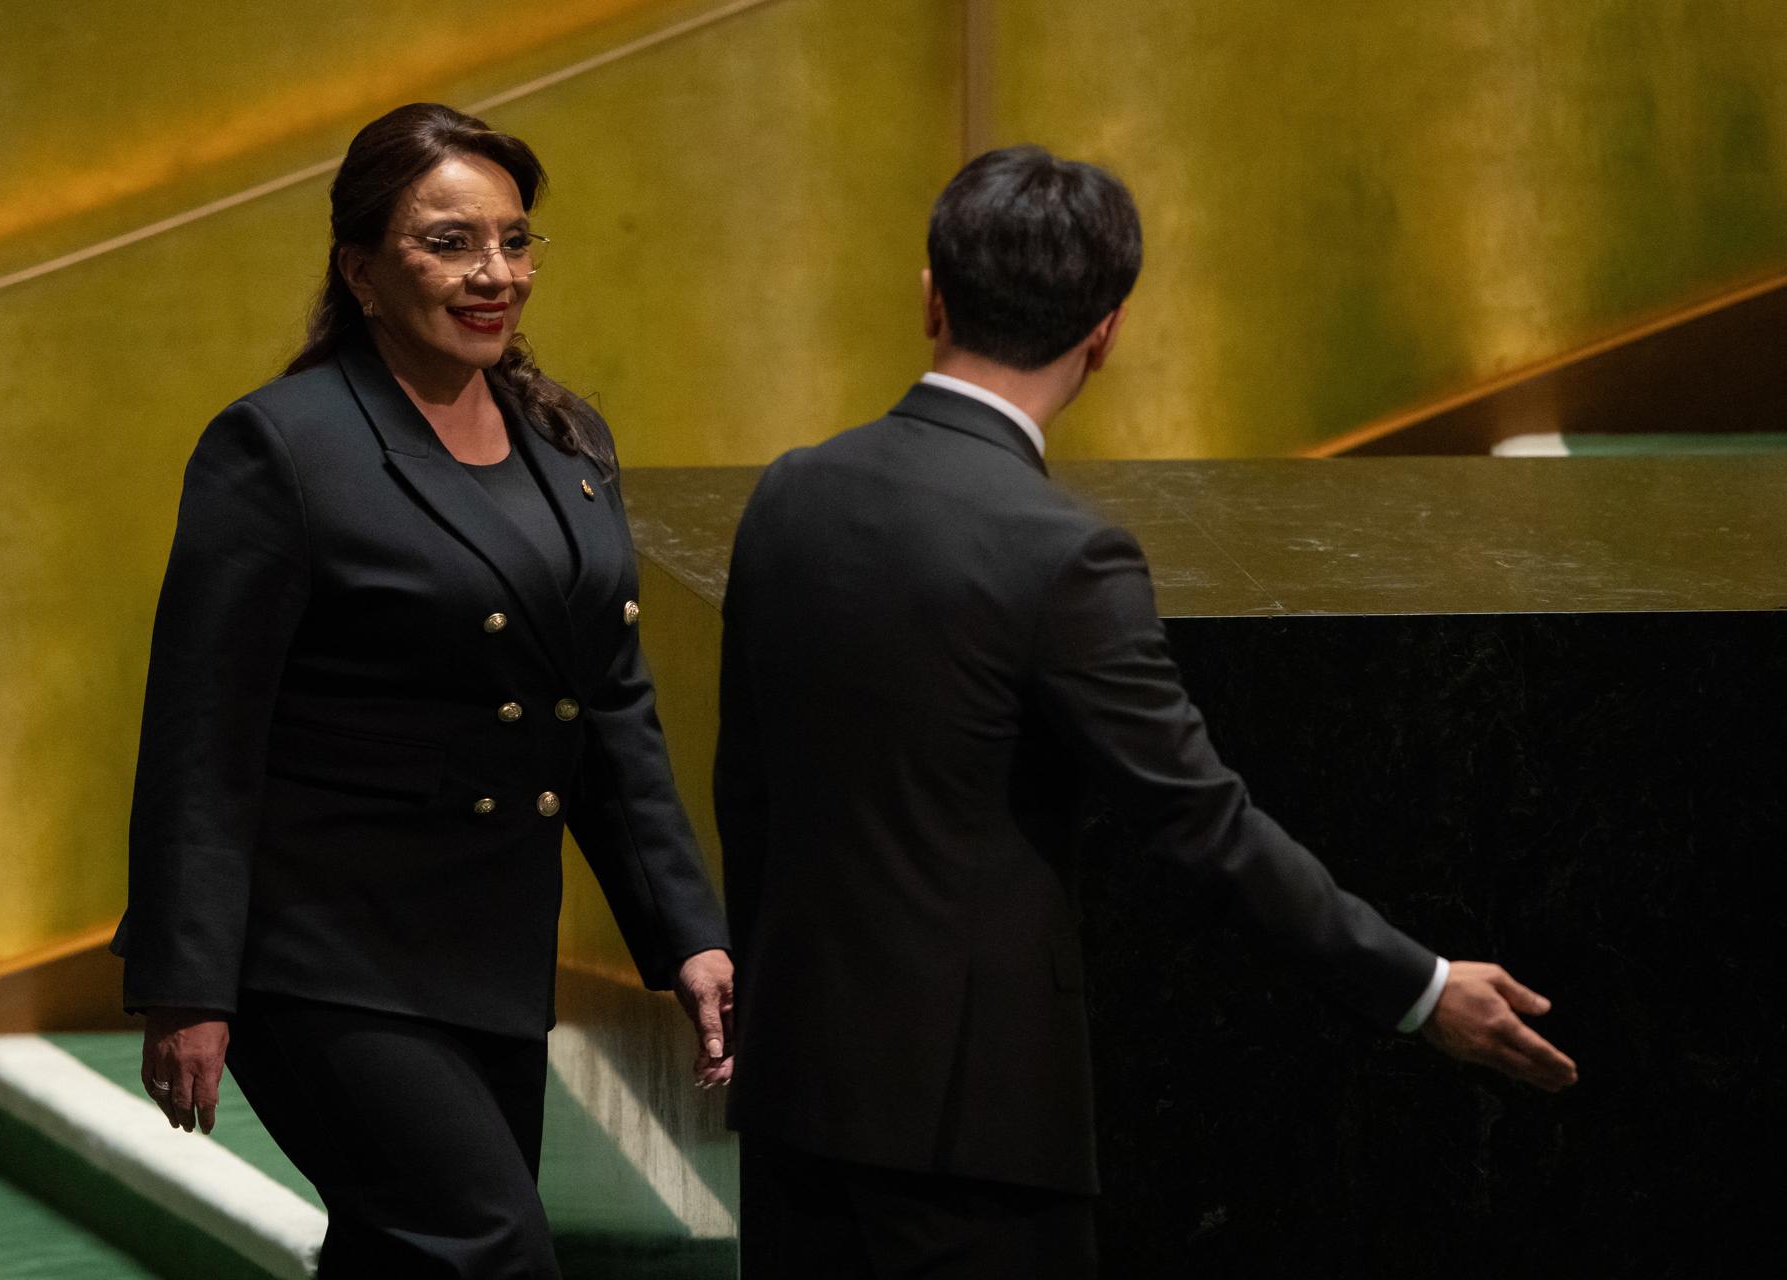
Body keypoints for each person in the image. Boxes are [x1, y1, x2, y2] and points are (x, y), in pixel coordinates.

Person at [713, 145, 1578, 1279]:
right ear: (1107, 333)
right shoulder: (1064, 554)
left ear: (931, 290)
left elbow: (748, 783)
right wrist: (1418, 987)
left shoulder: (791, 490)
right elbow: (1201, 827)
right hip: (973, 1136)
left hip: (796, 1094)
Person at [113, 102, 733, 1279]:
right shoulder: (280, 447)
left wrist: (686, 933)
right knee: (487, 1251)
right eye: (449, 243)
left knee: (405, 1258)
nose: (493, 272)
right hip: (321, 958)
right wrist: (185, 984)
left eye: (514, 240)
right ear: (360, 268)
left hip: (490, 951)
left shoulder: (568, 439)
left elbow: (607, 708)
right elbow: (203, 734)